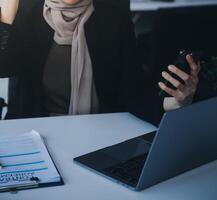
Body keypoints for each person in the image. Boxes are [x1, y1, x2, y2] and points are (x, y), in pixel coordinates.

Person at [0, 0, 199, 124]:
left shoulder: (114, 19)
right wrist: (7, 19)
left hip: (100, 133)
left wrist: (178, 101)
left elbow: (133, 94)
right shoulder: (28, 13)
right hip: (38, 134)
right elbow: (4, 67)